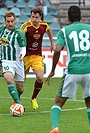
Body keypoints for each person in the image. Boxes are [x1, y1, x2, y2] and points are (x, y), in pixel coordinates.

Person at [45, 5, 90, 133]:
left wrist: (53, 70)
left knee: (58, 102)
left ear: (68, 18)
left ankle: (54, 127)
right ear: (81, 17)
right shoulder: (89, 29)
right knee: (89, 103)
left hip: (73, 71)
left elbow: (58, 49)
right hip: (89, 71)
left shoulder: (64, 31)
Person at [21, 7, 55, 110]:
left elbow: (49, 31)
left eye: (36, 17)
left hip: (37, 56)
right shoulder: (26, 26)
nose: (34, 19)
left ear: (40, 17)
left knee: (40, 78)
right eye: (32, 17)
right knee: (20, 82)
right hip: (25, 57)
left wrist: (52, 44)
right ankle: (17, 102)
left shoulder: (44, 25)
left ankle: (33, 98)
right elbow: (19, 37)